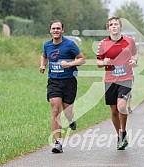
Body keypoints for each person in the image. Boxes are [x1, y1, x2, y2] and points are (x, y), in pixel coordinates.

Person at [39, 20, 86, 153]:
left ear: (62, 30)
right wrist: (42, 65)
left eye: (58, 28)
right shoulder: (47, 45)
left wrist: (70, 64)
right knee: (55, 108)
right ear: (50, 30)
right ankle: (58, 142)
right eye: (53, 28)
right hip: (54, 81)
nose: (55, 30)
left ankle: (71, 119)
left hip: (69, 82)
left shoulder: (70, 44)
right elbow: (43, 56)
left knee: (67, 111)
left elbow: (82, 59)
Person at [96, 16, 138, 150]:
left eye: (116, 24)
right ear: (108, 28)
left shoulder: (129, 41)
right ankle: (120, 137)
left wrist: (134, 61)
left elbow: (135, 54)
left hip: (126, 78)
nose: (113, 26)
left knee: (121, 106)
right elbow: (98, 62)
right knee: (114, 111)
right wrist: (104, 63)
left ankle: (123, 131)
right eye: (111, 25)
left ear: (120, 27)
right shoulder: (103, 44)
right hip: (110, 80)